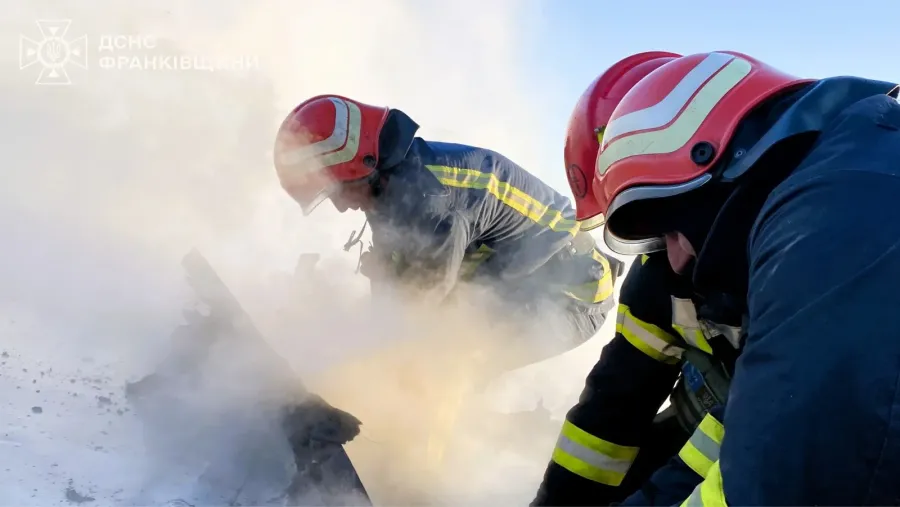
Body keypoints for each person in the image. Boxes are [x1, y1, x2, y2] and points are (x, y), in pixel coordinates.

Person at [586, 50, 900, 505]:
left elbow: (781, 485)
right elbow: (749, 430)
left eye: (675, 228)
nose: (674, 262)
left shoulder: (842, 215)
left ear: (721, 171)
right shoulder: (836, 184)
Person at [272, 94, 622, 370]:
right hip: (519, 279)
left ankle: (422, 455)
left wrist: (349, 357)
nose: (341, 207)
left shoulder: (430, 196)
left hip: (570, 296)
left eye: (335, 192)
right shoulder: (392, 186)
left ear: (361, 168)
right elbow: (396, 283)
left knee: (450, 362)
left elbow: (423, 306)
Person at [533, 52, 742, 507]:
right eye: (642, 228)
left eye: (667, 219)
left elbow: (766, 447)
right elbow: (616, 400)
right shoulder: (659, 275)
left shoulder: (797, 267)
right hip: (716, 423)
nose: (672, 256)